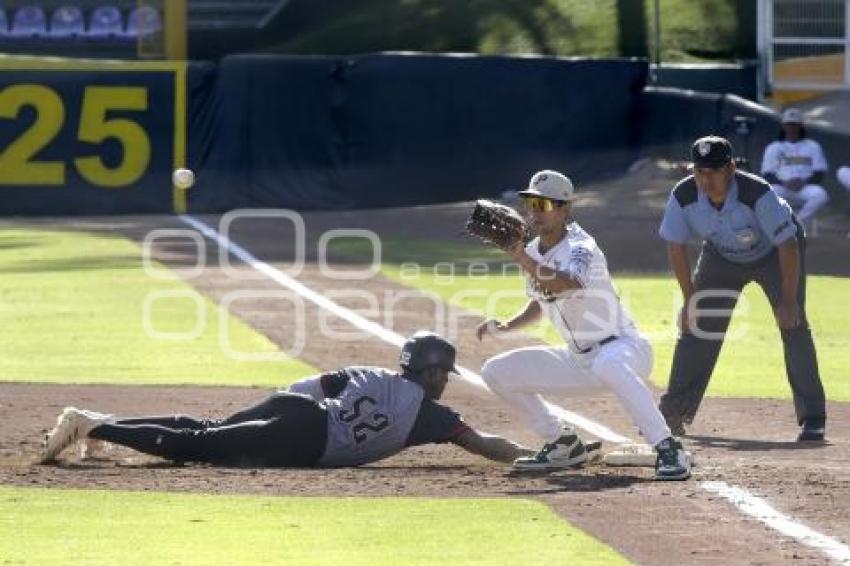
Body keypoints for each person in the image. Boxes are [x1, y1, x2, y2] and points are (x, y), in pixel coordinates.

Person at [41, 331, 538, 467]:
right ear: (430, 372)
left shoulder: (369, 373)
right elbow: (486, 444)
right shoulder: (431, 415)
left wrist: (265, 412)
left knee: (208, 430)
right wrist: (534, 457)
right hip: (304, 439)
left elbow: (311, 388)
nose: (445, 381)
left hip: (297, 412)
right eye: (443, 373)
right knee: (195, 448)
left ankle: (97, 424)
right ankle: (90, 425)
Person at [477, 170, 691, 481]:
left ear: (565, 209)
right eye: (531, 203)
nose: (535, 212)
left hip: (625, 349)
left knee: (607, 364)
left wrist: (520, 256)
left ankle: (668, 446)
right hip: (578, 360)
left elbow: (567, 284)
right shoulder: (535, 251)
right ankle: (562, 443)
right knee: (495, 371)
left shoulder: (581, 246)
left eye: (544, 204)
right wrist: (506, 325)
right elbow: (541, 300)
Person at [658, 135, 826, 442]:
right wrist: (690, 298)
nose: (704, 179)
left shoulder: (756, 192)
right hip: (721, 256)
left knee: (793, 324)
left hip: (775, 255)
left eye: (713, 171)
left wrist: (788, 301)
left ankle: (813, 417)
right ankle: (674, 411)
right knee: (698, 326)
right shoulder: (683, 195)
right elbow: (676, 247)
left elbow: (787, 245)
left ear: (731, 169)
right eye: (699, 171)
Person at [761, 107, 829, 225]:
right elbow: (767, 173)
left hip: (805, 187)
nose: (792, 128)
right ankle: (778, 227)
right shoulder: (774, 147)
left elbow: (820, 172)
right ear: (783, 126)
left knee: (821, 195)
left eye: (795, 124)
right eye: (789, 124)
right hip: (781, 186)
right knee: (766, 195)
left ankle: (798, 223)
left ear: (800, 126)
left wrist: (804, 182)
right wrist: (784, 183)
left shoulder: (813, 146)